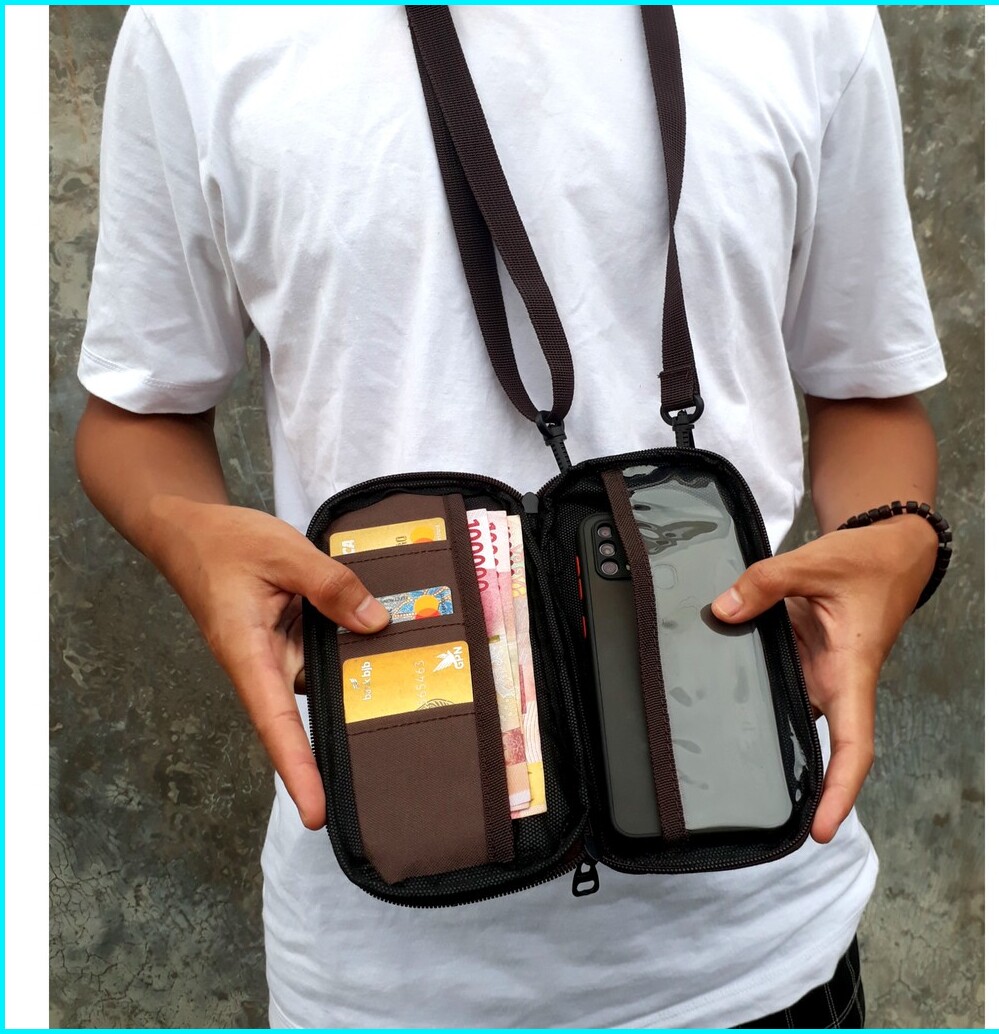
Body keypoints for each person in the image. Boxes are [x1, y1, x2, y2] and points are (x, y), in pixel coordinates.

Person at [75, 5, 947, 1028]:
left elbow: (868, 391)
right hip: (390, 967)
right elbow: (137, 413)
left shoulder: (809, 19)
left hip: (761, 942)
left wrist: (895, 540)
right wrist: (188, 537)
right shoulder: (198, 29)